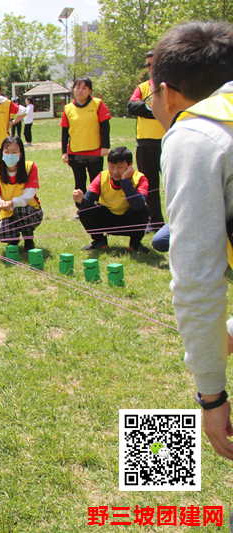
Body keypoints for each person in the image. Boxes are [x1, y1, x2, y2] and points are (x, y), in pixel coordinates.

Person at [148, 21, 233, 463]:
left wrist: (211, 396)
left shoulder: (196, 135)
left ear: (170, 93)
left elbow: (198, 278)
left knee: (157, 461)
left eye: (150, 97)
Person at [71, 146, 149, 252]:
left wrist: (125, 180)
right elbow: (88, 201)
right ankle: (99, 241)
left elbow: (138, 205)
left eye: (120, 167)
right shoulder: (102, 176)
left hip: (129, 222)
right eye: (111, 167)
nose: (115, 171)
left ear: (130, 166)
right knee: (84, 210)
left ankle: (135, 244)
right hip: (107, 220)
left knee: (143, 209)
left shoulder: (140, 178)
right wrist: (80, 200)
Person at [128, 50, 167, 233]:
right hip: (144, 143)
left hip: (167, 141)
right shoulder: (143, 86)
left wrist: (145, 107)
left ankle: (177, 223)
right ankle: (156, 222)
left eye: (154, 63)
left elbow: (170, 108)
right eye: (148, 65)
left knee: (172, 184)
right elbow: (131, 107)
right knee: (150, 185)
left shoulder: (171, 85)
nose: (150, 68)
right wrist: (154, 109)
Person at [0, 136, 43, 250]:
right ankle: (13, 240)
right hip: (7, 211)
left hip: (29, 210)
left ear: (20, 154)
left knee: (20, 210)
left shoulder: (30, 167)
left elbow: (28, 195)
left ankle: (28, 239)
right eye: (7, 152)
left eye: (14, 152)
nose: (10, 155)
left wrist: (11, 204)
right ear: (2, 153)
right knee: (5, 236)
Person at [61, 77, 111, 198]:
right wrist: (64, 152)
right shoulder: (68, 108)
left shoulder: (97, 104)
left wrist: (105, 146)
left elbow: (106, 127)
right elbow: (64, 132)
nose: (80, 91)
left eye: (84, 88)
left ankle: (97, 207)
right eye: (77, 88)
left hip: (95, 151)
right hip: (75, 152)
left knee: (96, 182)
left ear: (90, 91)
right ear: (73, 89)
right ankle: (82, 209)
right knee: (79, 183)